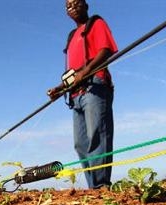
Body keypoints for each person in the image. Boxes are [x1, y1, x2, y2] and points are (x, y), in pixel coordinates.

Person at [48, 0, 118, 189]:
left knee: (97, 135)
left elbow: (105, 51)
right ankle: (93, 187)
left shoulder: (95, 23)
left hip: (94, 87)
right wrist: (59, 89)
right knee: (80, 143)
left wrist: (85, 73)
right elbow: (73, 73)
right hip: (75, 94)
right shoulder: (71, 36)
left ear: (86, 5)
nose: (72, 8)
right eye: (68, 6)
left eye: (76, 3)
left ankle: (102, 185)